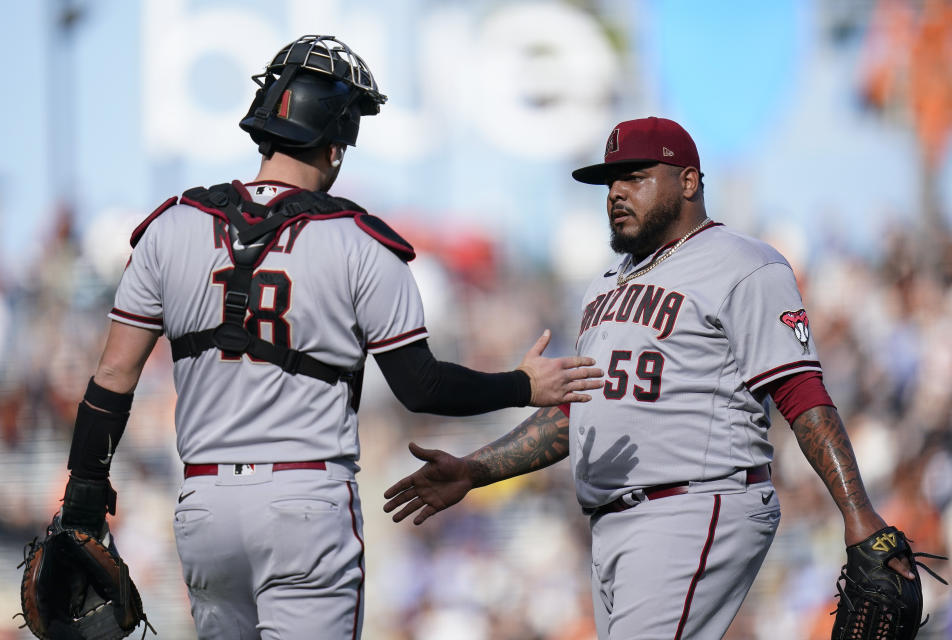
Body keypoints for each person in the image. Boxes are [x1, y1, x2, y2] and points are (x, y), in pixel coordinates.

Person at [53, 35, 603, 640]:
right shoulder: (362, 241)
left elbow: (112, 380)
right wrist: (522, 385)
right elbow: (420, 387)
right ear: (337, 146)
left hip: (205, 502)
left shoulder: (170, 226)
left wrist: (82, 495)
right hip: (305, 498)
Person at [383, 116, 918, 639]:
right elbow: (579, 413)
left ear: (687, 181)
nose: (616, 192)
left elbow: (801, 393)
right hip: (614, 522)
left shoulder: (745, 264)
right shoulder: (603, 287)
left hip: (693, 504)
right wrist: (474, 471)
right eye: (610, 181)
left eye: (635, 176)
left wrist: (858, 513)